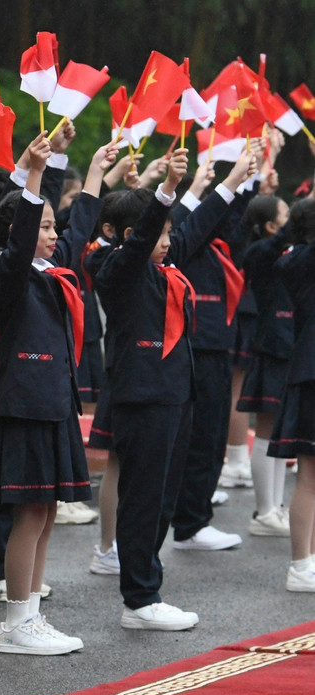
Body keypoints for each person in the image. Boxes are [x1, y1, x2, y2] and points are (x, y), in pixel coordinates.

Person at [93, 147, 256, 632]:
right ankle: (139, 598)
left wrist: (232, 182)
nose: (168, 241)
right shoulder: (116, 268)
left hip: (175, 394)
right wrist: (166, 191)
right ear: (127, 235)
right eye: (159, 233)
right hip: (143, 396)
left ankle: (146, 588)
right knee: (143, 498)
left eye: (167, 235)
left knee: (163, 498)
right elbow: (146, 237)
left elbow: (196, 227)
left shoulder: (165, 261)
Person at [0, 134, 87, 655]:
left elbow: (68, 232)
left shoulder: (51, 271)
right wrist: (35, 175)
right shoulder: (4, 272)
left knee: (45, 511)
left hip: (52, 402)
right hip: (23, 404)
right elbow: (20, 242)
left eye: (51, 225)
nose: (52, 232)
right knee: (28, 513)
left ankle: (32, 613)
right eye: (43, 225)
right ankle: (14, 623)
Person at [164, 153, 253, 551]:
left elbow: (233, 220)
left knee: (212, 435)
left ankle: (194, 516)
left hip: (216, 344)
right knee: (199, 437)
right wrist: (219, 184)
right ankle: (190, 523)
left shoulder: (218, 244)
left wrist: (247, 181)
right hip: (197, 344)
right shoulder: (186, 236)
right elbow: (192, 222)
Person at [238, 194, 295, 537]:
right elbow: (280, 241)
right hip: (271, 348)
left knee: (279, 432)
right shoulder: (258, 253)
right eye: (287, 215)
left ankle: (275, 508)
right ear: (271, 226)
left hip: (289, 347)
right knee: (266, 428)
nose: (293, 219)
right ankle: (264, 510)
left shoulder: (287, 253)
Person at [270, 196, 315, 593]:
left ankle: (309, 560)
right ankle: (301, 564)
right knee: (309, 476)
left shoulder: (296, 259)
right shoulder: (301, 261)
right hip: (312, 375)